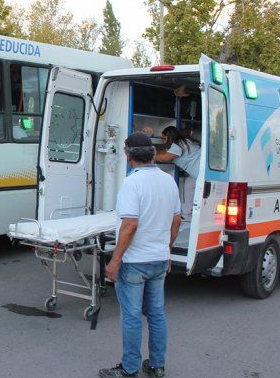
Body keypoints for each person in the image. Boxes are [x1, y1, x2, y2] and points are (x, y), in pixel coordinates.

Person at [98, 132, 181, 378]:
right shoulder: (168, 180)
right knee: (156, 314)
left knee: (132, 316)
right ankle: (157, 366)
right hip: (158, 259)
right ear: (153, 154)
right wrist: (167, 250)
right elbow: (176, 220)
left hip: (135, 262)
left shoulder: (132, 183)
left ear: (128, 156)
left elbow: (130, 225)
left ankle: (129, 368)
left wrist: (114, 260)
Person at [155, 126, 201, 220]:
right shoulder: (185, 141)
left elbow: (164, 158)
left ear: (170, 137)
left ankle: (186, 214)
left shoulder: (177, 146)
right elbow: (166, 151)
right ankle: (188, 212)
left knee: (189, 189)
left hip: (199, 173)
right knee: (188, 187)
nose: (164, 141)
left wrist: (148, 155)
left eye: (164, 138)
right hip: (201, 171)